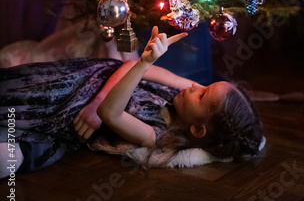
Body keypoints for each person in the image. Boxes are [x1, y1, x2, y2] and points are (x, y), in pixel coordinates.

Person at [0, 27, 264, 177]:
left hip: (65, 108)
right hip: (85, 75)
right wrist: (102, 96)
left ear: (198, 129)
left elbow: (110, 114)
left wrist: (144, 63)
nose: (194, 85)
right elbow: (128, 65)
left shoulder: (154, 135)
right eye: (205, 86)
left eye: (203, 94)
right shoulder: (182, 94)